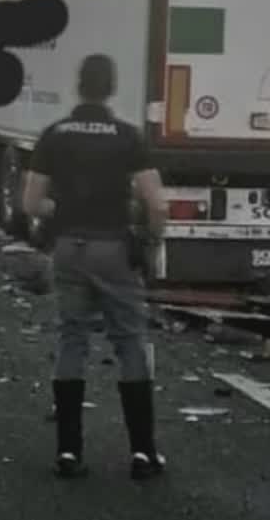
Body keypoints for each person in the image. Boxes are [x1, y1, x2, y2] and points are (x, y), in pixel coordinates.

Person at [21, 53, 169, 480]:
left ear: (79, 86)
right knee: (129, 342)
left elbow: (31, 203)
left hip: (69, 247)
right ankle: (142, 452)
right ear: (111, 88)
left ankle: (68, 451)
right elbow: (155, 201)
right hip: (113, 248)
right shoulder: (127, 137)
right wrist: (151, 237)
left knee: (72, 340)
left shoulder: (55, 135)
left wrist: (60, 210)